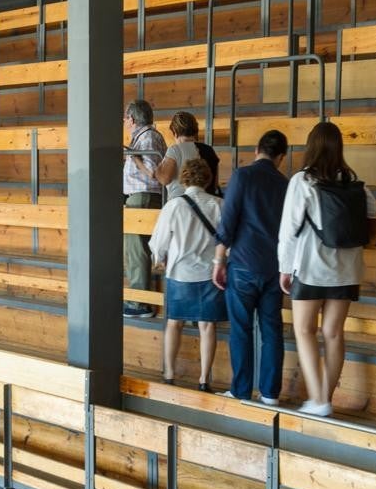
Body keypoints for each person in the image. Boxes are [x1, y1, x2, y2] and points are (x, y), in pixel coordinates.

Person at [278, 122, 376, 416]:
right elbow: (374, 211)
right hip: (347, 270)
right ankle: (326, 399)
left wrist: (284, 267)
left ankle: (318, 399)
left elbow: (288, 230)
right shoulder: (352, 180)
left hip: (311, 266)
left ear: (311, 146)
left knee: (304, 330)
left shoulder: (303, 181)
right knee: (334, 333)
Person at [211, 129, 289, 405]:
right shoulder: (285, 184)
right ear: (281, 157)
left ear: (257, 150)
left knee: (241, 329)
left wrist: (219, 260)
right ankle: (270, 394)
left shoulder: (242, 175)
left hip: (243, 264)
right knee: (271, 331)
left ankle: (241, 390)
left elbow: (228, 221)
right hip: (273, 268)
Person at [149, 160, 226, 392]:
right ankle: (204, 380)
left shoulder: (173, 206)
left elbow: (158, 242)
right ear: (208, 179)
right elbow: (226, 240)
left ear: (184, 179)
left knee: (174, 324)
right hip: (209, 273)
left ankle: (169, 374)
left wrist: (159, 259)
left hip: (179, 273)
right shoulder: (220, 205)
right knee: (207, 327)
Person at [122, 100, 167, 318]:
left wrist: (133, 156)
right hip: (140, 196)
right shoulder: (145, 136)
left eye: (125, 118)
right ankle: (138, 299)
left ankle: (139, 303)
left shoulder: (148, 136)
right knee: (134, 248)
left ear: (131, 119)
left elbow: (151, 171)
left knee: (137, 249)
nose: (124, 122)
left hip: (143, 196)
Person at [154, 111, 201, 199]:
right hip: (201, 200)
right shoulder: (207, 149)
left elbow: (165, 179)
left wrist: (157, 171)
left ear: (175, 132)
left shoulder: (175, 149)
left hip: (178, 200)